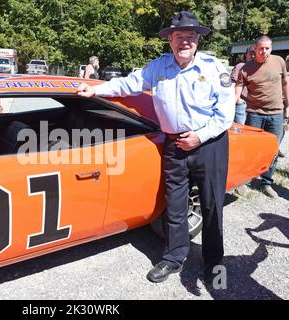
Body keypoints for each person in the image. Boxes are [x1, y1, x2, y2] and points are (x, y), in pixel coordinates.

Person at [78, 11, 234, 284]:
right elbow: (128, 84)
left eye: (189, 37)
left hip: (209, 145)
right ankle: (174, 257)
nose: (184, 42)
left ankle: (213, 261)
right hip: (174, 145)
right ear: (170, 41)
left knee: (211, 205)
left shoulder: (215, 69)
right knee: (174, 205)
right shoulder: (158, 67)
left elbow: (224, 114)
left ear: (197, 39)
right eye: (178, 37)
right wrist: (96, 90)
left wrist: (199, 136)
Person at [235, 36, 289, 198]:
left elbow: (285, 83)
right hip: (254, 114)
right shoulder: (246, 68)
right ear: (255, 49)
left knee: (272, 150)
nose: (264, 52)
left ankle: (266, 182)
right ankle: (242, 181)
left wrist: (288, 106)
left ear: (271, 48)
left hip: (276, 114)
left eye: (267, 48)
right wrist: (232, 102)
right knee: (250, 150)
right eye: (261, 48)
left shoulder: (278, 61)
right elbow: (238, 86)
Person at [230, 46, 255, 124]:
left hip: (253, 107)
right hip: (241, 106)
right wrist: (238, 100)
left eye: (255, 54)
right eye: (251, 54)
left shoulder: (258, 69)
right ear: (246, 55)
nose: (253, 56)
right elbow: (232, 85)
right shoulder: (240, 66)